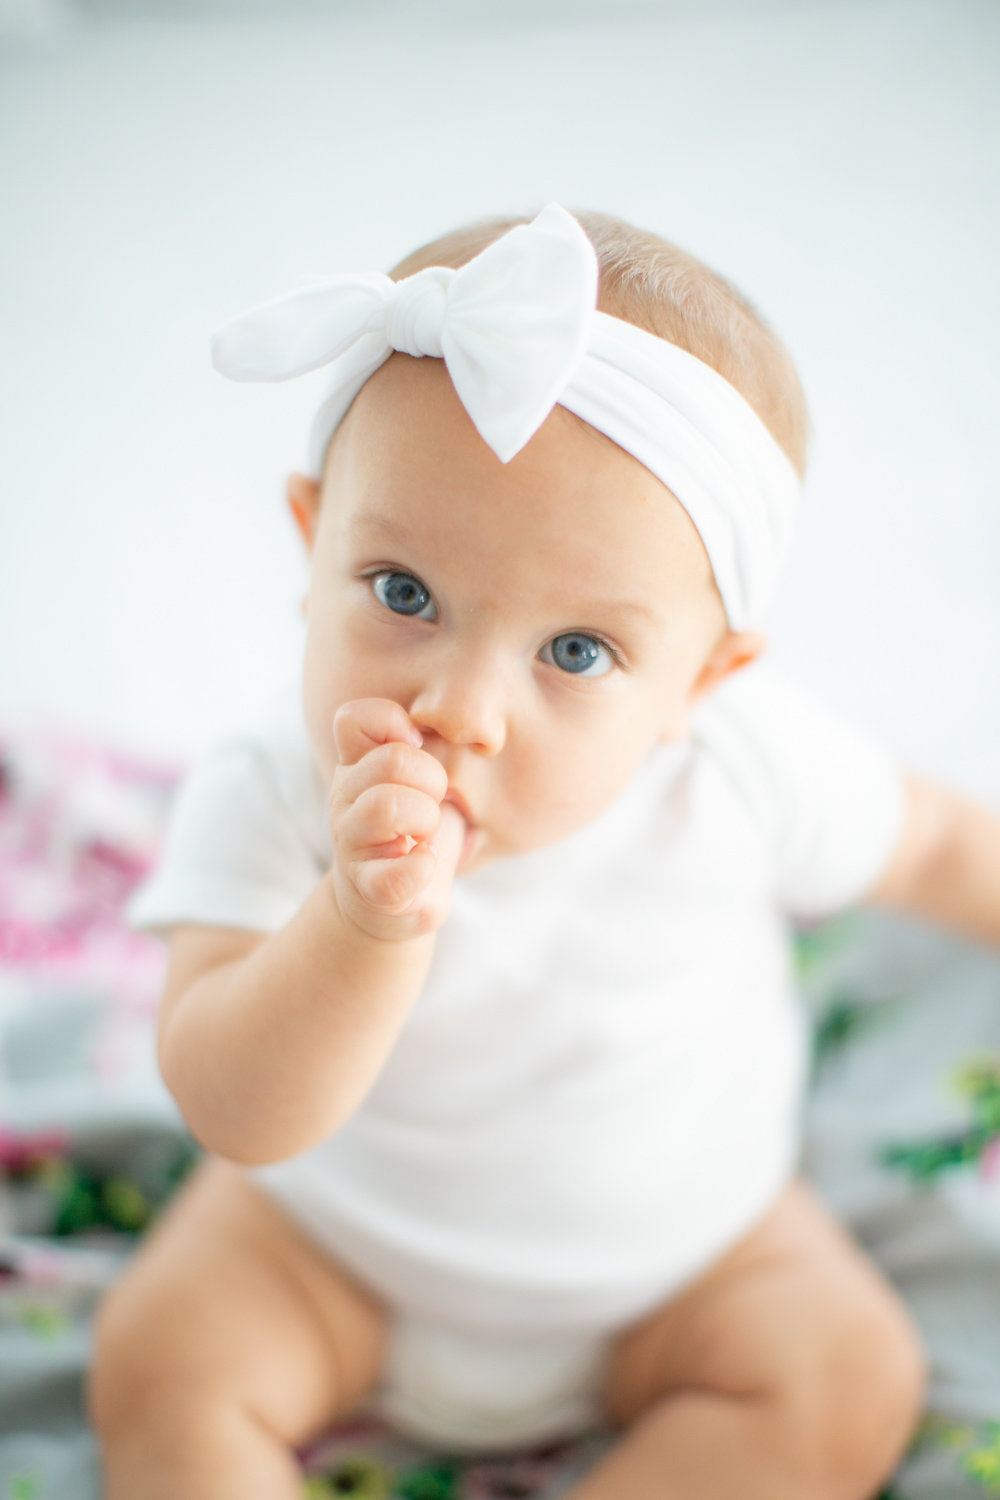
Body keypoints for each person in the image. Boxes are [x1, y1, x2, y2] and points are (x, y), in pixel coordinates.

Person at [88, 203, 999, 1499]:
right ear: (312, 544)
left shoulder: (747, 768)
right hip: (330, 1248)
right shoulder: (273, 792)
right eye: (403, 593)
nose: (459, 707)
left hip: (692, 1266)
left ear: (702, 681)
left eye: (576, 652)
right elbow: (236, 1113)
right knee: (162, 1365)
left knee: (843, 1377)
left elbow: (940, 848)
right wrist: (361, 922)